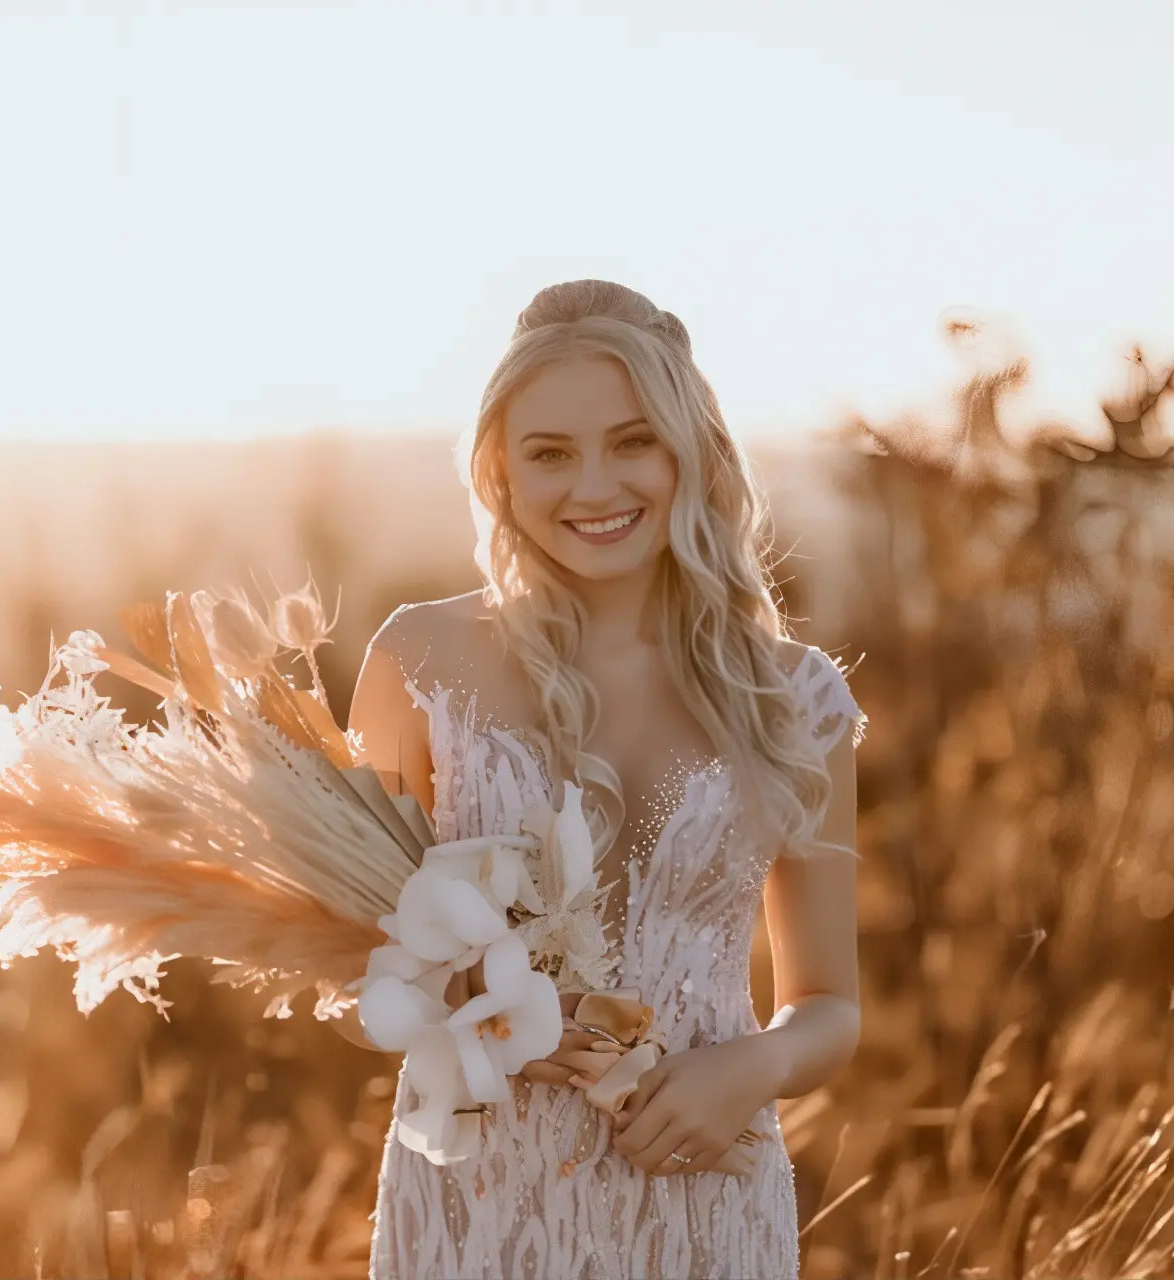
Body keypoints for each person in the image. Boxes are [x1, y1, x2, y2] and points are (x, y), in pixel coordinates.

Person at [344, 279, 866, 1279]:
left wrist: (752, 1067)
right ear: (499, 464)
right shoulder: (418, 662)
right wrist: (474, 1005)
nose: (595, 485)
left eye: (633, 441)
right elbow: (345, 956)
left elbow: (831, 1003)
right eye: (550, 451)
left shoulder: (795, 698)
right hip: (477, 1205)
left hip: (707, 1204)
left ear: (691, 450)